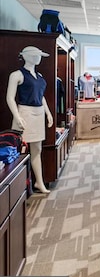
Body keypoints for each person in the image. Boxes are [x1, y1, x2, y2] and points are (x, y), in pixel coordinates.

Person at [6, 46, 54, 193]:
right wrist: (17, 116)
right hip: (25, 113)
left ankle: (39, 182)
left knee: (37, 149)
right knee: (20, 150)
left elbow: (41, 96)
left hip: (38, 113)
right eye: (35, 55)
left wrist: (48, 113)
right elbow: (10, 98)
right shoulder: (17, 75)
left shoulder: (39, 76)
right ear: (25, 56)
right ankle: (19, 187)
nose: (38, 58)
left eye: (39, 55)